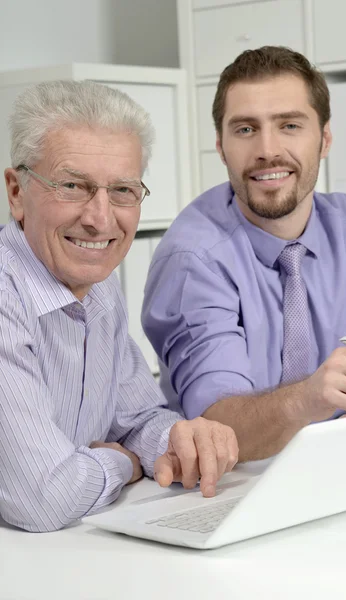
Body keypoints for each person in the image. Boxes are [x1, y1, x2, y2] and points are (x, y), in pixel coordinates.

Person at [0, 80, 238, 533]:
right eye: (72, 186)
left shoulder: (96, 283)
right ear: (16, 192)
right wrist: (120, 464)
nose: (100, 219)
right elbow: (44, 500)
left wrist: (179, 439)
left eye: (123, 191)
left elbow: (136, 417)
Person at [142, 46, 346, 462]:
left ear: (325, 138)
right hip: (234, 486)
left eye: (290, 125)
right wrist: (307, 399)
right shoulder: (193, 260)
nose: (267, 149)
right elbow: (217, 429)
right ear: (221, 147)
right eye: (245, 129)